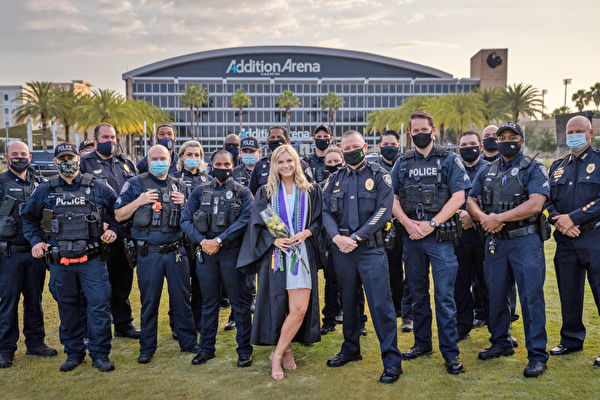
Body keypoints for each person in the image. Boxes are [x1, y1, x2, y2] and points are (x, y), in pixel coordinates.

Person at [22, 142, 117, 372]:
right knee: (68, 308)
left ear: (78, 159)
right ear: (55, 162)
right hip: (60, 261)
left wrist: (114, 229)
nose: (67, 162)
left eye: (71, 158)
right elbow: (29, 218)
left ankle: (100, 355)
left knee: (98, 308)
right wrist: (36, 241)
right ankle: (74, 353)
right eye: (62, 159)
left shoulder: (97, 186)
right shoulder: (45, 190)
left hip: (92, 260)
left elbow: (118, 212)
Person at [467, 121, 550, 378]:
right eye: (502, 137)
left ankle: (537, 354)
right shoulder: (487, 169)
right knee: (496, 293)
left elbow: (536, 204)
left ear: (521, 141)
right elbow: (471, 200)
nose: (506, 141)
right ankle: (500, 341)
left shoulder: (534, 168)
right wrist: (484, 217)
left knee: (530, 297)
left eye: (512, 137)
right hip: (496, 241)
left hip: (525, 241)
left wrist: (499, 218)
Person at [392, 111, 470, 375]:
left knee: (444, 296)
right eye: (415, 130)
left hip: (439, 238)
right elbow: (391, 198)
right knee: (417, 294)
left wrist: (432, 223)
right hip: (412, 237)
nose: (419, 134)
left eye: (423, 129)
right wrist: (407, 224)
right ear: (409, 133)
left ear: (433, 130)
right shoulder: (402, 162)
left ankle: (451, 353)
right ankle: (422, 344)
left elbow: (459, 197)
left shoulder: (449, 159)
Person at [237, 144, 323, 381]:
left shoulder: (311, 190)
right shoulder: (266, 192)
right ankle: (285, 350)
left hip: (301, 253)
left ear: (297, 162)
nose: (286, 166)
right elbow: (257, 224)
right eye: (281, 162)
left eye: (290, 161)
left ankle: (276, 353)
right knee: (278, 305)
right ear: (274, 165)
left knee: (299, 309)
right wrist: (273, 241)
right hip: (275, 255)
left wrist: (306, 233)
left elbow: (319, 221)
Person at [323, 130, 403, 384]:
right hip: (343, 251)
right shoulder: (335, 179)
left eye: (355, 147)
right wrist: (337, 238)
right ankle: (350, 349)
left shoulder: (380, 175)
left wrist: (357, 237)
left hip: (370, 250)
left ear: (365, 147)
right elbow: (326, 212)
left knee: (381, 306)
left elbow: (384, 211)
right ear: (341, 149)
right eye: (346, 148)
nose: (351, 152)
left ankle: (392, 361)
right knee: (348, 302)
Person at [114, 145, 199, 363]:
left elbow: (194, 218)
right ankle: (147, 348)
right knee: (149, 302)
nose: (160, 162)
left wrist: (186, 203)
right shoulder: (135, 184)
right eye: (155, 158)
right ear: (148, 160)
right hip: (149, 254)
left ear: (170, 160)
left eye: (164, 158)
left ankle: (188, 342)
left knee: (182, 300)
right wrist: (139, 201)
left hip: (176, 252)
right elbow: (119, 215)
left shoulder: (180, 184)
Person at [181, 150, 253, 367]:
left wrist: (219, 240)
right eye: (218, 164)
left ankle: (244, 350)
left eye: (227, 164)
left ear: (233, 165)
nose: (222, 168)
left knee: (239, 304)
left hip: (232, 253)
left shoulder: (242, 192)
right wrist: (203, 241)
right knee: (209, 303)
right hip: (206, 253)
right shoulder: (200, 191)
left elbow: (245, 219)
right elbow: (185, 220)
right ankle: (206, 349)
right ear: (211, 166)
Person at [545, 115, 600, 367]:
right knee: (569, 293)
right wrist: (558, 220)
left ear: (590, 133)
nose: (574, 135)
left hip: (594, 237)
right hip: (565, 240)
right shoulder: (557, 165)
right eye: (570, 131)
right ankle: (571, 339)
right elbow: (545, 200)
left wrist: (573, 218)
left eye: (579, 130)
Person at [80, 123, 140, 339]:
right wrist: (99, 223)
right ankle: (92, 330)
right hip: (100, 233)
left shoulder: (125, 163)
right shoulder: (85, 163)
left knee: (123, 280)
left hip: (124, 231)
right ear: (95, 140)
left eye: (113, 137)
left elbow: (135, 191)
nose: (110, 141)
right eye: (105, 137)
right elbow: (78, 196)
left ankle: (123, 325)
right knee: (96, 285)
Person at [0, 141, 57, 369]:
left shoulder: (40, 183)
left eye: (23, 154)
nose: (19, 157)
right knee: (8, 301)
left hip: (35, 252)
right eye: (14, 154)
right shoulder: (1, 183)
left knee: (35, 299)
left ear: (30, 157)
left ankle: (36, 343)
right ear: (7, 157)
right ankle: (5, 349)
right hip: (9, 253)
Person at [453, 131, 489, 342]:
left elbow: (495, 199)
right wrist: (460, 215)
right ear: (459, 149)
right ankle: (462, 326)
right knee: (460, 283)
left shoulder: (491, 169)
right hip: (459, 235)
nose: (469, 148)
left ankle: (498, 329)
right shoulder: (453, 170)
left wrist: (473, 217)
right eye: (464, 145)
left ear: (481, 146)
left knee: (489, 282)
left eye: (473, 144)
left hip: (484, 233)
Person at [376, 129, 413, 332]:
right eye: (385, 144)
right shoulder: (375, 168)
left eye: (392, 144)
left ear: (399, 145)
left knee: (412, 269)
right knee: (391, 269)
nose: (389, 147)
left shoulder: (406, 164)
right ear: (379, 146)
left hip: (407, 224)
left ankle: (408, 313)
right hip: (385, 227)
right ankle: (395, 307)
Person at [177, 140, 213, 332]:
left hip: (201, 239)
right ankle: (178, 324)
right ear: (181, 157)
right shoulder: (174, 178)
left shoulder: (208, 179)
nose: (193, 158)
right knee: (181, 287)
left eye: (197, 155)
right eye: (189, 154)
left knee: (201, 284)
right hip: (179, 239)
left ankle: (198, 322)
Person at [248, 126, 313, 195]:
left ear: (287, 141)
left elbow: (311, 189)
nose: (276, 140)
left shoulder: (300, 164)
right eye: (272, 138)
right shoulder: (260, 166)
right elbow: (252, 193)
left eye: (279, 137)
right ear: (268, 141)